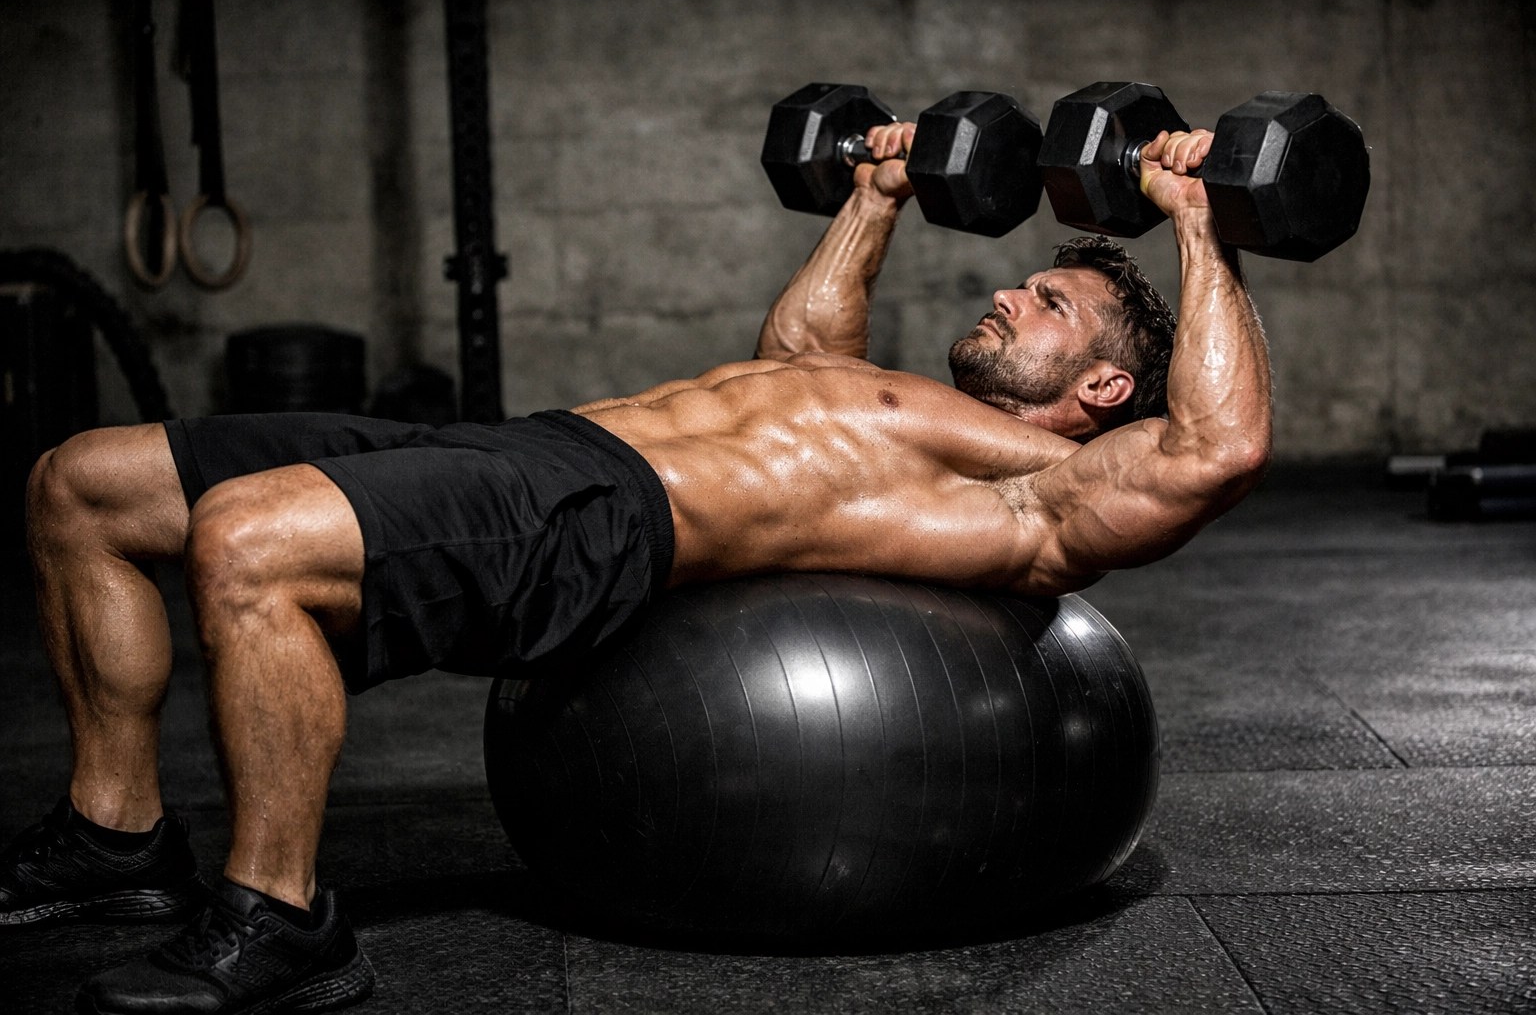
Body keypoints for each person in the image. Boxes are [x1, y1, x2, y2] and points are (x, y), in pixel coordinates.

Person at [3, 121, 1268, 1014]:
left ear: (1103, 386)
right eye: (1026, 278)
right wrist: (874, 197)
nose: (1008, 292)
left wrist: (1200, 233)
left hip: (603, 519)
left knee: (248, 541)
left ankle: (280, 921)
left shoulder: (1028, 491)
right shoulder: (891, 401)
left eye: (1047, 302)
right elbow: (796, 348)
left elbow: (1219, 447)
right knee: (84, 482)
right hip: (527, 450)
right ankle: (115, 837)